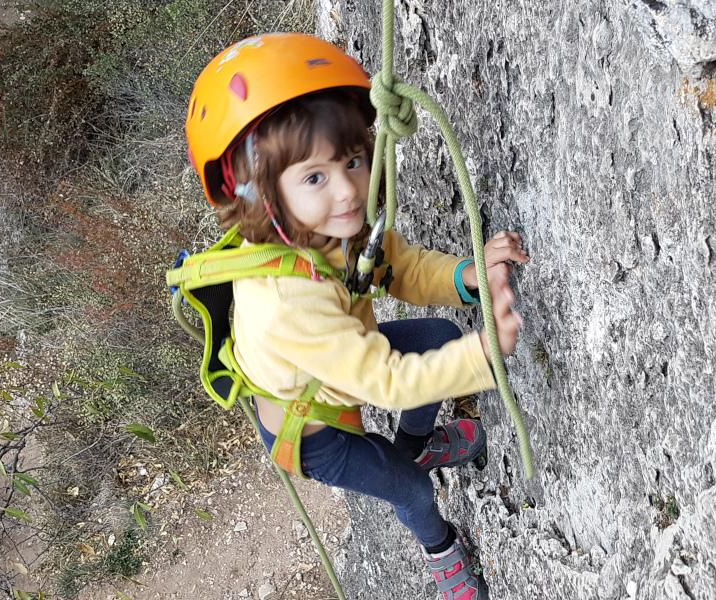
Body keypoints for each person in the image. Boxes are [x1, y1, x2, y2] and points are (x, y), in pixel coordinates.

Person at [183, 33, 528, 600]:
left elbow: (399, 264)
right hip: (315, 432)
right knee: (412, 491)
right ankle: (442, 556)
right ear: (261, 192)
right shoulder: (286, 304)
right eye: (314, 177)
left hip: (340, 369)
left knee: (438, 336)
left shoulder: (327, 230)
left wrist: (467, 275)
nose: (346, 190)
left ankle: (415, 442)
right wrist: (483, 357)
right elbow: (385, 381)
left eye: (352, 160)